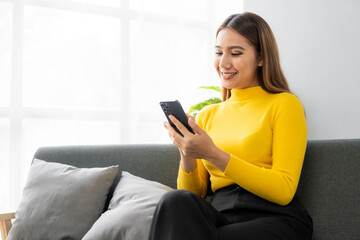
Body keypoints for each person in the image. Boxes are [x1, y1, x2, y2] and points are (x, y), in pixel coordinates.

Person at [148, 12, 313, 240]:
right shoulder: (208, 115)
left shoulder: (285, 104)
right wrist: (187, 152)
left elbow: (284, 190)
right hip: (220, 215)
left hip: (274, 217)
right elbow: (192, 194)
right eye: (218, 52)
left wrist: (212, 153)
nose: (223, 63)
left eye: (235, 53)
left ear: (261, 57)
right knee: (174, 200)